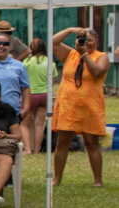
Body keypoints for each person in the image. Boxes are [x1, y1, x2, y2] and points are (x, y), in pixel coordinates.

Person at [50, 26, 110, 187]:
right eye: (83, 40)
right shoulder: (70, 54)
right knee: (62, 142)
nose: (86, 43)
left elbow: (97, 71)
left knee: (91, 143)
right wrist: (70, 30)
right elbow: (52, 42)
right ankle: (57, 179)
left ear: (97, 41)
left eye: (90, 40)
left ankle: (98, 180)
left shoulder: (102, 56)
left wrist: (84, 53)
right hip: (68, 106)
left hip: (90, 106)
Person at [20, 37, 50, 154]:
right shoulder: (50, 61)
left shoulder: (27, 62)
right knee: (39, 124)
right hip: (45, 95)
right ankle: (37, 150)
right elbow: (51, 80)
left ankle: (27, 149)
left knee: (24, 124)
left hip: (30, 95)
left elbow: (22, 79)